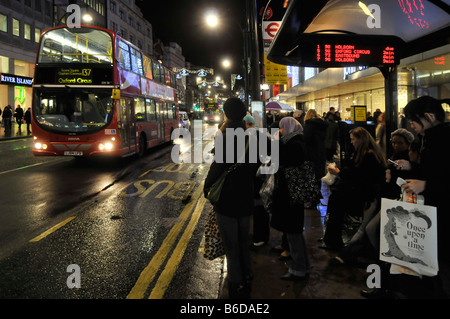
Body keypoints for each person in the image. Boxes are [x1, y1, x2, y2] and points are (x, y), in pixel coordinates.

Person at [395, 96, 450, 298]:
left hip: (443, 216)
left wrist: (426, 185)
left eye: (413, 120)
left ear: (428, 116)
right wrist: (413, 167)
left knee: (442, 270)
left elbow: (438, 177)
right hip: (432, 213)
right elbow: (432, 172)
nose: (411, 125)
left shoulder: (443, 138)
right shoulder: (430, 137)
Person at [204, 97, 258, 299]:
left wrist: (207, 186)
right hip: (245, 197)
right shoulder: (253, 136)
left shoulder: (224, 135)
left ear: (227, 113)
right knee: (243, 241)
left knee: (231, 245)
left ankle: (236, 284)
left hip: (226, 198)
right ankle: (247, 275)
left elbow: (217, 167)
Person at [322, 127, 387, 250]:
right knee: (335, 198)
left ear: (361, 140)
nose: (351, 142)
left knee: (336, 201)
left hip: (364, 192)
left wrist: (338, 173)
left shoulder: (368, 156)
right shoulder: (363, 153)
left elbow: (360, 177)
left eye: (353, 139)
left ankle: (333, 239)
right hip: (360, 189)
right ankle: (332, 238)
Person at [270, 117, 310, 281]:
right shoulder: (294, 142)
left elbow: (282, 161)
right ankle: (299, 266)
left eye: (281, 128)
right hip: (291, 195)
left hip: (291, 196)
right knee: (293, 232)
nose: (279, 131)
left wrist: (276, 143)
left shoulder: (295, 144)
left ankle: (299, 269)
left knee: (294, 232)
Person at [243, 114, 270, 247]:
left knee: (258, 209)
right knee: (260, 209)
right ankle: (260, 236)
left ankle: (259, 237)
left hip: (254, 178)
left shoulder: (246, 137)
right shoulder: (263, 136)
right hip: (260, 178)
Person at [303, 109, 328, 207]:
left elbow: (306, 139)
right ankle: (317, 198)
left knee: (310, 176)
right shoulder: (323, 125)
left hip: (311, 154)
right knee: (318, 177)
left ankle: (311, 199)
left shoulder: (309, 125)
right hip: (321, 153)